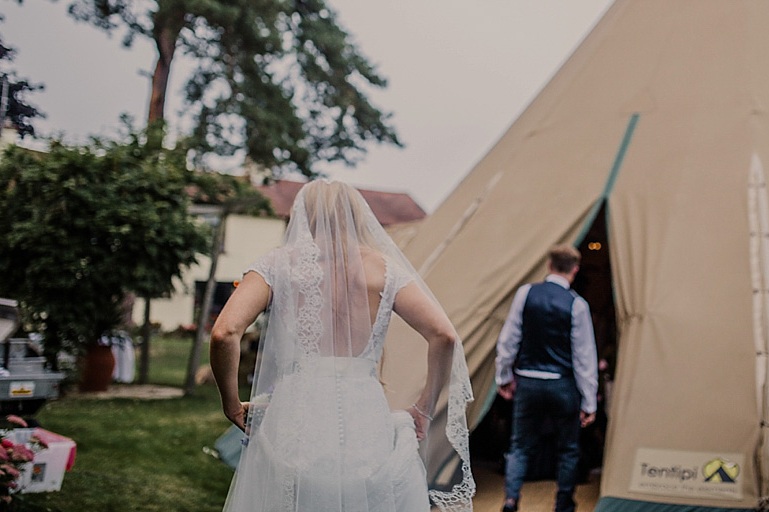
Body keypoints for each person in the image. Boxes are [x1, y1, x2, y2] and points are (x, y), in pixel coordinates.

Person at [210, 180, 475, 511]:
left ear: (303, 215)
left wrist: (231, 403)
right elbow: (444, 335)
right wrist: (424, 406)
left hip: (296, 417)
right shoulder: (385, 270)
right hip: (364, 420)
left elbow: (224, 333)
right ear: (356, 216)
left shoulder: (277, 265)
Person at [495, 244, 598, 512]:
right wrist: (589, 401)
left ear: (549, 265)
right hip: (562, 384)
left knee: (520, 446)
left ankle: (511, 499)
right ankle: (563, 503)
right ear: (575, 270)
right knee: (568, 449)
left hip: (528, 382)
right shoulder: (577, 304)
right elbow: (584, 357)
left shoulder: (526, 294)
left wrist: (503, 375)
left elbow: (509, 339)